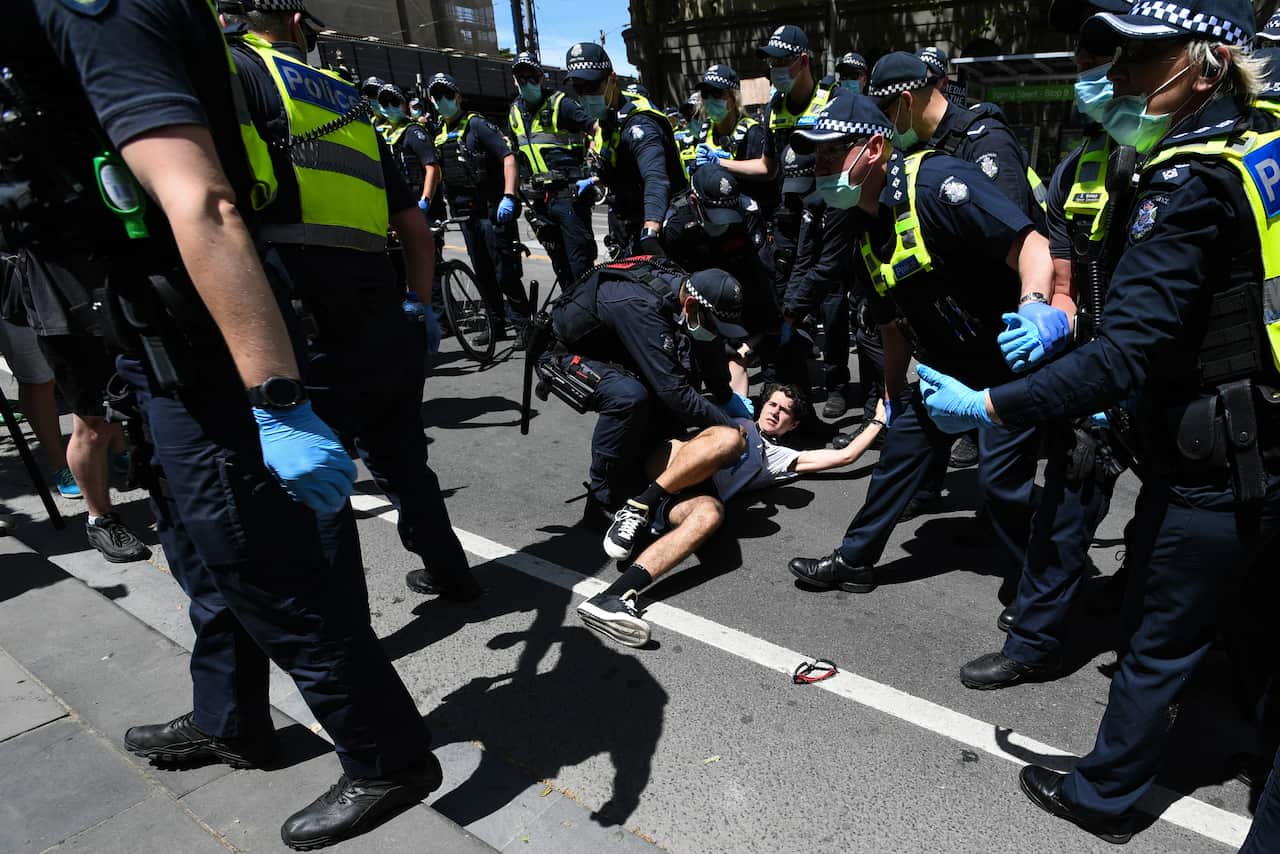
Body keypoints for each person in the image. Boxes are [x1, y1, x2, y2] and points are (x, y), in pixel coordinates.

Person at [6, 1, 441, 848]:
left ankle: (387, 754)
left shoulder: (93, 7)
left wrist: (278, 400)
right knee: (199, 545)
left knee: (262, 557)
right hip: (145, 325)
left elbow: (203, 202)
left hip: (202, 338)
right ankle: (231, 717)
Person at [916, 1, 1279, 841]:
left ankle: (1103, 796)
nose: (1113, 78)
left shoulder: (1187, 183)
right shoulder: (1256, 145)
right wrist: (1058, 313)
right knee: (1257, 619)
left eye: (1135, 60)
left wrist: (989, 404)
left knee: (1157, 634)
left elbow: (1125, 354)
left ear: (1205, 66)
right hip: (1255, 431)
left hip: (1213, 453)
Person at [221, 1, 481, 603]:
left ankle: (345, 629)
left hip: (303, 316)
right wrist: (420, 304)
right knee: (405, 461)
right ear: (296, 24)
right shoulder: (345, 98)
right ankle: (453, 574)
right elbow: (414, 228)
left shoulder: (239, 73)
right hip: (382, 307)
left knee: (317, 480)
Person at [783, 94, 1053, 602]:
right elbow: (890, 322)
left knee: (1002, 485)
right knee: (899, 455)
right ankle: (855, 560)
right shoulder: (860, 225)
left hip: (1008, 357)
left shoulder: (937, 185)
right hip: (946, 364)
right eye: (816, 154)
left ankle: (1038, 590)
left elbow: (1033, 246)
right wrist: (891, 392)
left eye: (833, 151)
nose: (820, 165)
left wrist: (1036, 311)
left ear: (874, 149)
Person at [957, 0, 1132, 691]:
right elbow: (1063, 283)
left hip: (1181, 380)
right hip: (1097, 374)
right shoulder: (1077, 168)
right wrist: (1046, 319)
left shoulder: (1197, 163)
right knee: (1064, 507)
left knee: (1177, 535)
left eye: (1103, 60)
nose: (1090, 76)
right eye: (1082, 63)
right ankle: (1036, 643)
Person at [581, 383, 887, 647]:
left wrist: (878, 420)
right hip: (668, 464)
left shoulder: (777, 458)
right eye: (772, 404)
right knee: (729, 439)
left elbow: (845, 456)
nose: (775, 412)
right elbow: (732, 373)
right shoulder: (738, 414)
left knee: (711, 513)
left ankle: (612, 597)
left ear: (793, 426)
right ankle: (638, 505)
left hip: (686, 496)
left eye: (785, 411)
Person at [539, 260, 751, 524]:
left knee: (681, 374)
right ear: (689, 306)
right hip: (563, 354)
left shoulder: (690, 293)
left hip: (615, 345)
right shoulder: (642, 306)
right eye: (714, 326)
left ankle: (642, 466)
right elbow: (675, 393)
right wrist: (730, 427)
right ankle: (602, 499)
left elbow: (709, 348)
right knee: (629, 397)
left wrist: (726, 397)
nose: (715, 333)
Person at [426, 72, 528, 342]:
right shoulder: (439, 134)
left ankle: (523, 326)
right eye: (437, 96)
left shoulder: (477, 125)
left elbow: (508, 157)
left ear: (458, 97)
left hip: (492, 210)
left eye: (447, 94)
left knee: (504, 271)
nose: (442, 100)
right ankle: (496, 325)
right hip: (465, 214)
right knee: (483, 273)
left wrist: (509, 195)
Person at [565, 43, 686, 257]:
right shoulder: (607, 121)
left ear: (612, 80)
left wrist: (651, 229)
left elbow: (655, 177)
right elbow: (622, 169)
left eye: (592, 86)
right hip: (628, 225)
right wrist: (595, 181)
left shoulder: (640, 124)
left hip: (660, 225)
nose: (586, 95)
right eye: (578, 88)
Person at [659, 163, 775, 362]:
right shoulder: (677, 224)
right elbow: (675, 280)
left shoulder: (747, 211)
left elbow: (763, 270)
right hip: (698, 284)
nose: (723, 223)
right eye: (715, 215)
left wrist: (769, 325)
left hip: (738, 274)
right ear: (694, 202)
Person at [507, 51, 597, 283]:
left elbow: (597, 129)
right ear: (515, 80)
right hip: (540, 201)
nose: (526, 82)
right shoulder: (515, 112)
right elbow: (513, 156)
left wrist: (595, 170)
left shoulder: (561, 104)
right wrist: (510, 195)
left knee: (581, 265)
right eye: (521, 77)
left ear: (541, 78)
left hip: (569, 195)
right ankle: (571, 304)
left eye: (531, 76)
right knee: (561, 266)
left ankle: (590, 305)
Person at [0, 317, 74, 496]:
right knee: (37, 381)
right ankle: (60, 465)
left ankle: (119, 448)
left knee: (90, 365)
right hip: (15, 310)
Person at [689, 64, 771, 206]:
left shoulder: (753, 132)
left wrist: (720, 163)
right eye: (705, 94)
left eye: (716, 93)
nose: (710, 99)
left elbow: (766, 171)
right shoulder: (705, 131)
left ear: (733, 98)